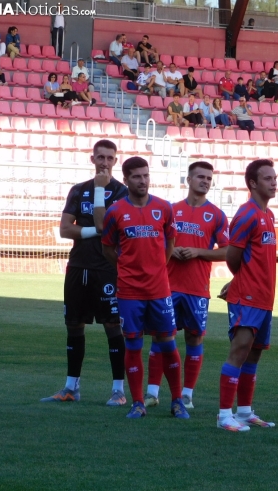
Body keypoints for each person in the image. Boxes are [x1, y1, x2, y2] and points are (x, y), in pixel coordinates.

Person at [41, 139, 128, 406]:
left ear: (115, 161)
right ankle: (71, 387)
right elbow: (65, 229)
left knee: (113, 327)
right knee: (73, 325)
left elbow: (111, 228)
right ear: (92, 159)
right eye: (100, 157)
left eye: (109, 158)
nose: (104, 162)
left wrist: (95, 227)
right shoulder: (78, 191)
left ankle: (118, 390)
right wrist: (95, 231)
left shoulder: (123, 193)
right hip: (78, 266)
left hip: (107, 269)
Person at [101, 156, 188, 420]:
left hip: (160, 290)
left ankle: (177, 401)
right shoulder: (115, 211)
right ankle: (138, 402)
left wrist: (159, 266)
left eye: (145, 175)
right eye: (137, 176)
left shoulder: (164, 208)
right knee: (133, 346)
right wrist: (128, 266)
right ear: (125, 180)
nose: (143, 180)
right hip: (129, 292)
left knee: (168, 344)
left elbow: (170, 241)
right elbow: (107, 248)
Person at [144, 162, 229, 409]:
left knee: (194, 338)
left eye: (209, 178)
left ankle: (188, 393)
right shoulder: (170, 210)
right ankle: (152, 393)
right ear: (188, 180)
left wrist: (197, 252)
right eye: (200, 177)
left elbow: (227, 251)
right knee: (161, 337)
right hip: (166, 287)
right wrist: (172, 251)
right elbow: (155, 243)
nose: (205, 181)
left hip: (197, 289)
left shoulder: (216, 215)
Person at [217, 159, 278, 432]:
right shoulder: (247, 214)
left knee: (253, 355)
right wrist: (240, 280)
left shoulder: (269, 214)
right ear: (253, 183)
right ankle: (223, 415)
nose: (274, 182)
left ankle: (243, 412)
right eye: (267, 178)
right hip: (248, 297)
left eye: (274, 177)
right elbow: (233, 257)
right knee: (239, 351)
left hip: (265, 297)